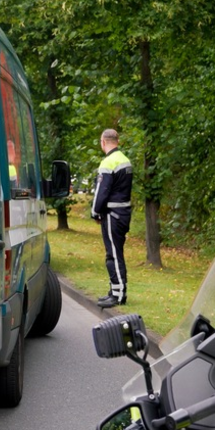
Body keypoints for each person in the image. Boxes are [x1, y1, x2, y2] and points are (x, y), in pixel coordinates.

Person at [91, 128, 133, 308]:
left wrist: (95, 212)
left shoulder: (108, 162)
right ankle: (114, 291)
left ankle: (118, 294)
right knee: (116, 253)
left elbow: (102, 192)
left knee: (113, 255)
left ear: (103, 142)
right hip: (123, 213)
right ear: (117, 141)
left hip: (112, 215)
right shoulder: (125, 160)